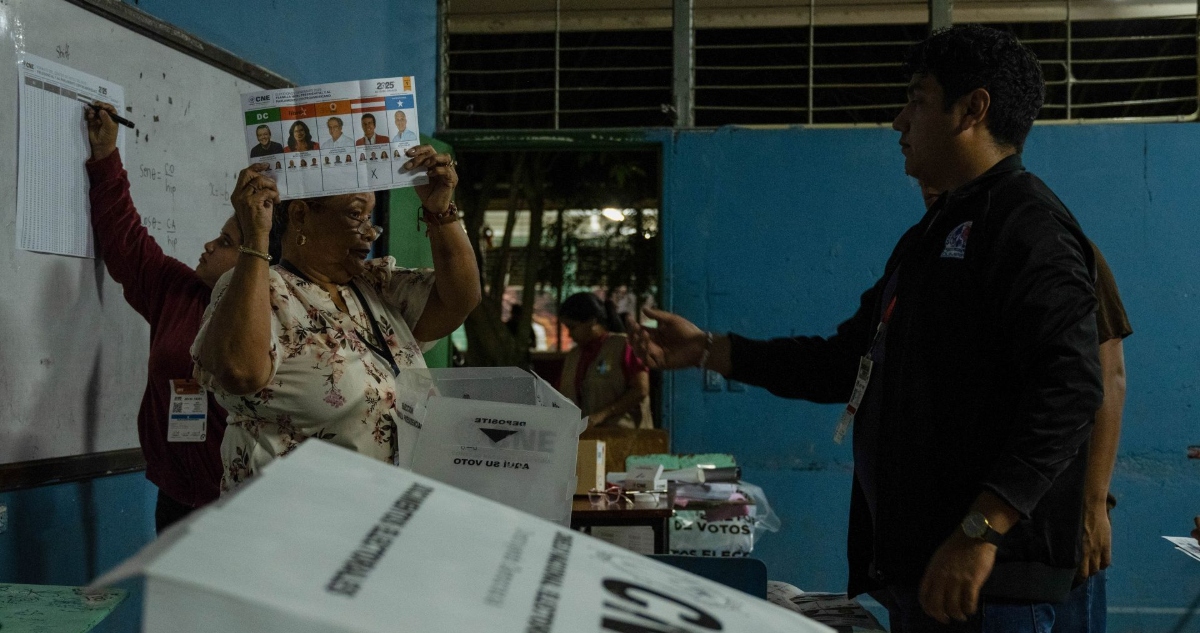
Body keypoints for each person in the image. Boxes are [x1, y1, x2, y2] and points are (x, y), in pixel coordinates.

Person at [628, 25, 1101, 631]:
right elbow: (849, 363)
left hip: (989, 585)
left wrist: (981, 529)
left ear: (973, 109)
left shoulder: (1027, 227)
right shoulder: (929, 237)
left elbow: (1072, 387)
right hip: (926, 577)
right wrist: (710, 351)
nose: (899, 120)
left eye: (918, 100)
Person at [191, 146, 479, 492]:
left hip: (378, 514)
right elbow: (239, 371)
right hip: (293, 528)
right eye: (355, 215)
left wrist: (440, 210)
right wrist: (256, 238)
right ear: (300, 216)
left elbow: (461, 298)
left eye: (370, 217)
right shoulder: (266, 290)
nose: (370, 233)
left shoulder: (374, 287)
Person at [919, 184, 1132, 633]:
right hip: (986, 540)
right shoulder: (940, 254)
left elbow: (1106, 376)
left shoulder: (1052, 247)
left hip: (1053, 531)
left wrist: (1093, 505)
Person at [84, 102, 274, 532]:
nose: (208, 245)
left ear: (254, 258)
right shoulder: (179, 291)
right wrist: (106, 156)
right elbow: (125, 239)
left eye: (225, 242)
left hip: (242, 509)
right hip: (174, 498)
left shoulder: (278, 318)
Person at [558, 293, 652, 429]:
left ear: (592, 322)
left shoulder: (624, 346)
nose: (569, 334)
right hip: (585, 439)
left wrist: (602, 415)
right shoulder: (573, 356)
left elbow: (641, 390)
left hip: (624, 437)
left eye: (572, 327)